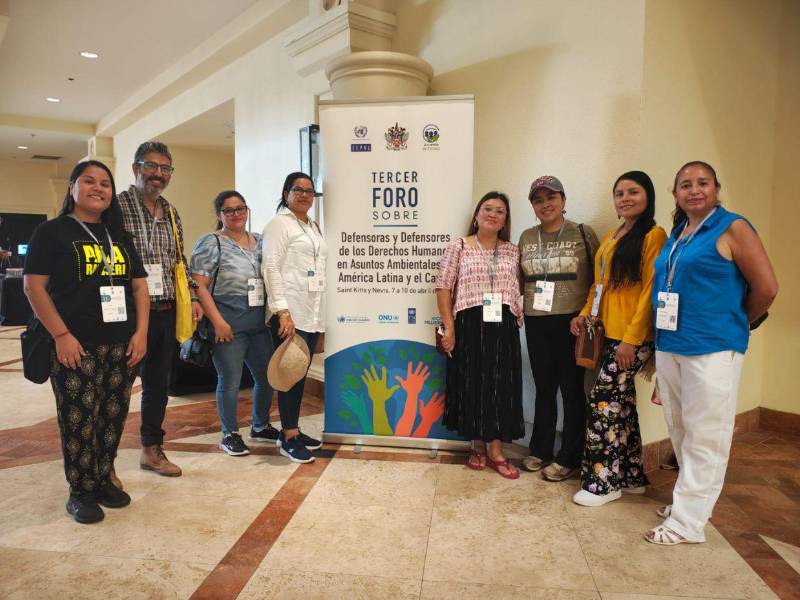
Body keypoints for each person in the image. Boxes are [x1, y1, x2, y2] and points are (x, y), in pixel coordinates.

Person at [645, 161, 777, 545]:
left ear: (716, 189)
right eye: (685, 185)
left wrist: (735, 321)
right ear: (675, 194)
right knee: (680, 428)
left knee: (706, 435)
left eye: (702, 183)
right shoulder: (679, 234)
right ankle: (688, 504)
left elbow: (767, 288)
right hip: (671, 345)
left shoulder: (733, 227)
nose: (694, 190)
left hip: (712, 348)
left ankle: (687, 524)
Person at [23, 160, 149, 523]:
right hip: (75, 345)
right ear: (72, 187)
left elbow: (139, 287)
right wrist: (61, 335)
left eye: (105, 183)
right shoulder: (52, 232)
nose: (98, 188)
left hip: (121, 344)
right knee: (79, 420)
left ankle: (103, 480)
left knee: (112, 417)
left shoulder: (119, 236)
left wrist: (140, 333)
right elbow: (34, 287)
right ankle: (80, 491)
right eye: (89, 181)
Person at [570, 171, 667, 506]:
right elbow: (600, 285)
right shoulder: (614, 236)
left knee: (602, 402)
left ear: (648, 196)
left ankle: (603, 484)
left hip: (631, 337)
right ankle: (631, 476)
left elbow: (651, 291)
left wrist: (632, 339)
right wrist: (585, 314)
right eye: (620, 193)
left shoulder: (654, 235)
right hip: (607, 333)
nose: (625, 198)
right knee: (621, 405)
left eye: (633, 192)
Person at [117, 141, 202, 478]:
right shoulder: (116, 207)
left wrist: (193, 297)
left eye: (165, 168)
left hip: (165, 311)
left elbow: (178, 260)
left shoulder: (170, 211)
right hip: (126, 314)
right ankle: (103, 460)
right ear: (135, 168)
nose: (158, 174)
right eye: (151, 166)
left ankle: (151, 449)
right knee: (117, 387)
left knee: (156, 387)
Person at [436, 191, 525, 479]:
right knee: (471, 383)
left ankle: (496, 451)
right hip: (469, 324)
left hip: (503, 325)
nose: (493, 214)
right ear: (476, 215)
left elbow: (518, 288)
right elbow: (443, 287)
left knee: (501, 386)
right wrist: (449, 327)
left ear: (505, 221)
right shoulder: (459, 247)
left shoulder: (513, 251)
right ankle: (477, 446)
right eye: (488, 208)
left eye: (500, 211)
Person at [519, 176, 599, 481]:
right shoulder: (527, 237)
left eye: (551, 197)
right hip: (536, 321)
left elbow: (598, 281)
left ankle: (570, 456)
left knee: (572, 389)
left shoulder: (583, 233)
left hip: (572, 322)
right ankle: (541, 449)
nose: (545, 205)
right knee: (544, 388)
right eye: (538, 200)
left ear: (563, 200)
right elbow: (519, 279)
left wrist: (588, 315)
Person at [191, 191, 276, 456]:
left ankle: (260, 426)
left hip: (259, 325)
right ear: (220, 214)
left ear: (247, 210)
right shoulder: (211, 242)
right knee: (230, 381)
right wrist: (217, 322)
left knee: (267, 377)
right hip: (228, 327)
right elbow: (199, 285)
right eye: (229, 210)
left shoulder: (261, 241)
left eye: (240, 208)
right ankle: (230, 434)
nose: (236, 214)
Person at [261, 172, 325, 464]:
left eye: (309, 191)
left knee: (300, 373)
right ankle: (288, 437)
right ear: (286, 193)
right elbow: (271, 267)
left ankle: (293, 430)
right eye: (298, 190)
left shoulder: (312, 225)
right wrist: (282, 312)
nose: (304, 195)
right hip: (290, 314)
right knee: (290, 375)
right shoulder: (279, 224)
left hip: (311, 312)